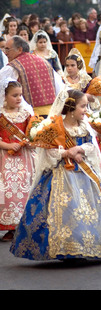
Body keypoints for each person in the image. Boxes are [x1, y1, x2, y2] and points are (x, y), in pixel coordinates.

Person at [10, 88, 101, 261]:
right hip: (61, 173)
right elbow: (48, 151)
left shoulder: (84, 126)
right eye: (83, 107)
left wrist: (79, 149)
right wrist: (66, 153)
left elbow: (92, 146)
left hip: (83, 173)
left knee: (85, 210)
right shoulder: (55, 125)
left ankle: (85, 246)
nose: (86, 110)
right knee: (66, 209)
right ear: (70, 108)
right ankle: (66, 247)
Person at [0, 79, 35, 241]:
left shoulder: (26, 114)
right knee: (7, 191)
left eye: (20, 95)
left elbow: (33, 134)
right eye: (14, 95)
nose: (19, 98)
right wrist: (7, 145)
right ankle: (10, 226)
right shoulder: (1, 115)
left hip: (24, 159)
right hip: (6, 159)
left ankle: (24, 225)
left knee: (25, 188)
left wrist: (29, 140)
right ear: (5, 96)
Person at [0, 36, 64, 116]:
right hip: (51, 115)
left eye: (8, 49)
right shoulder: (45, 63)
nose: (5, 53)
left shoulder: (13, 67)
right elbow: (60, 89)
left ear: (20, 49)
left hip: (29, 117)